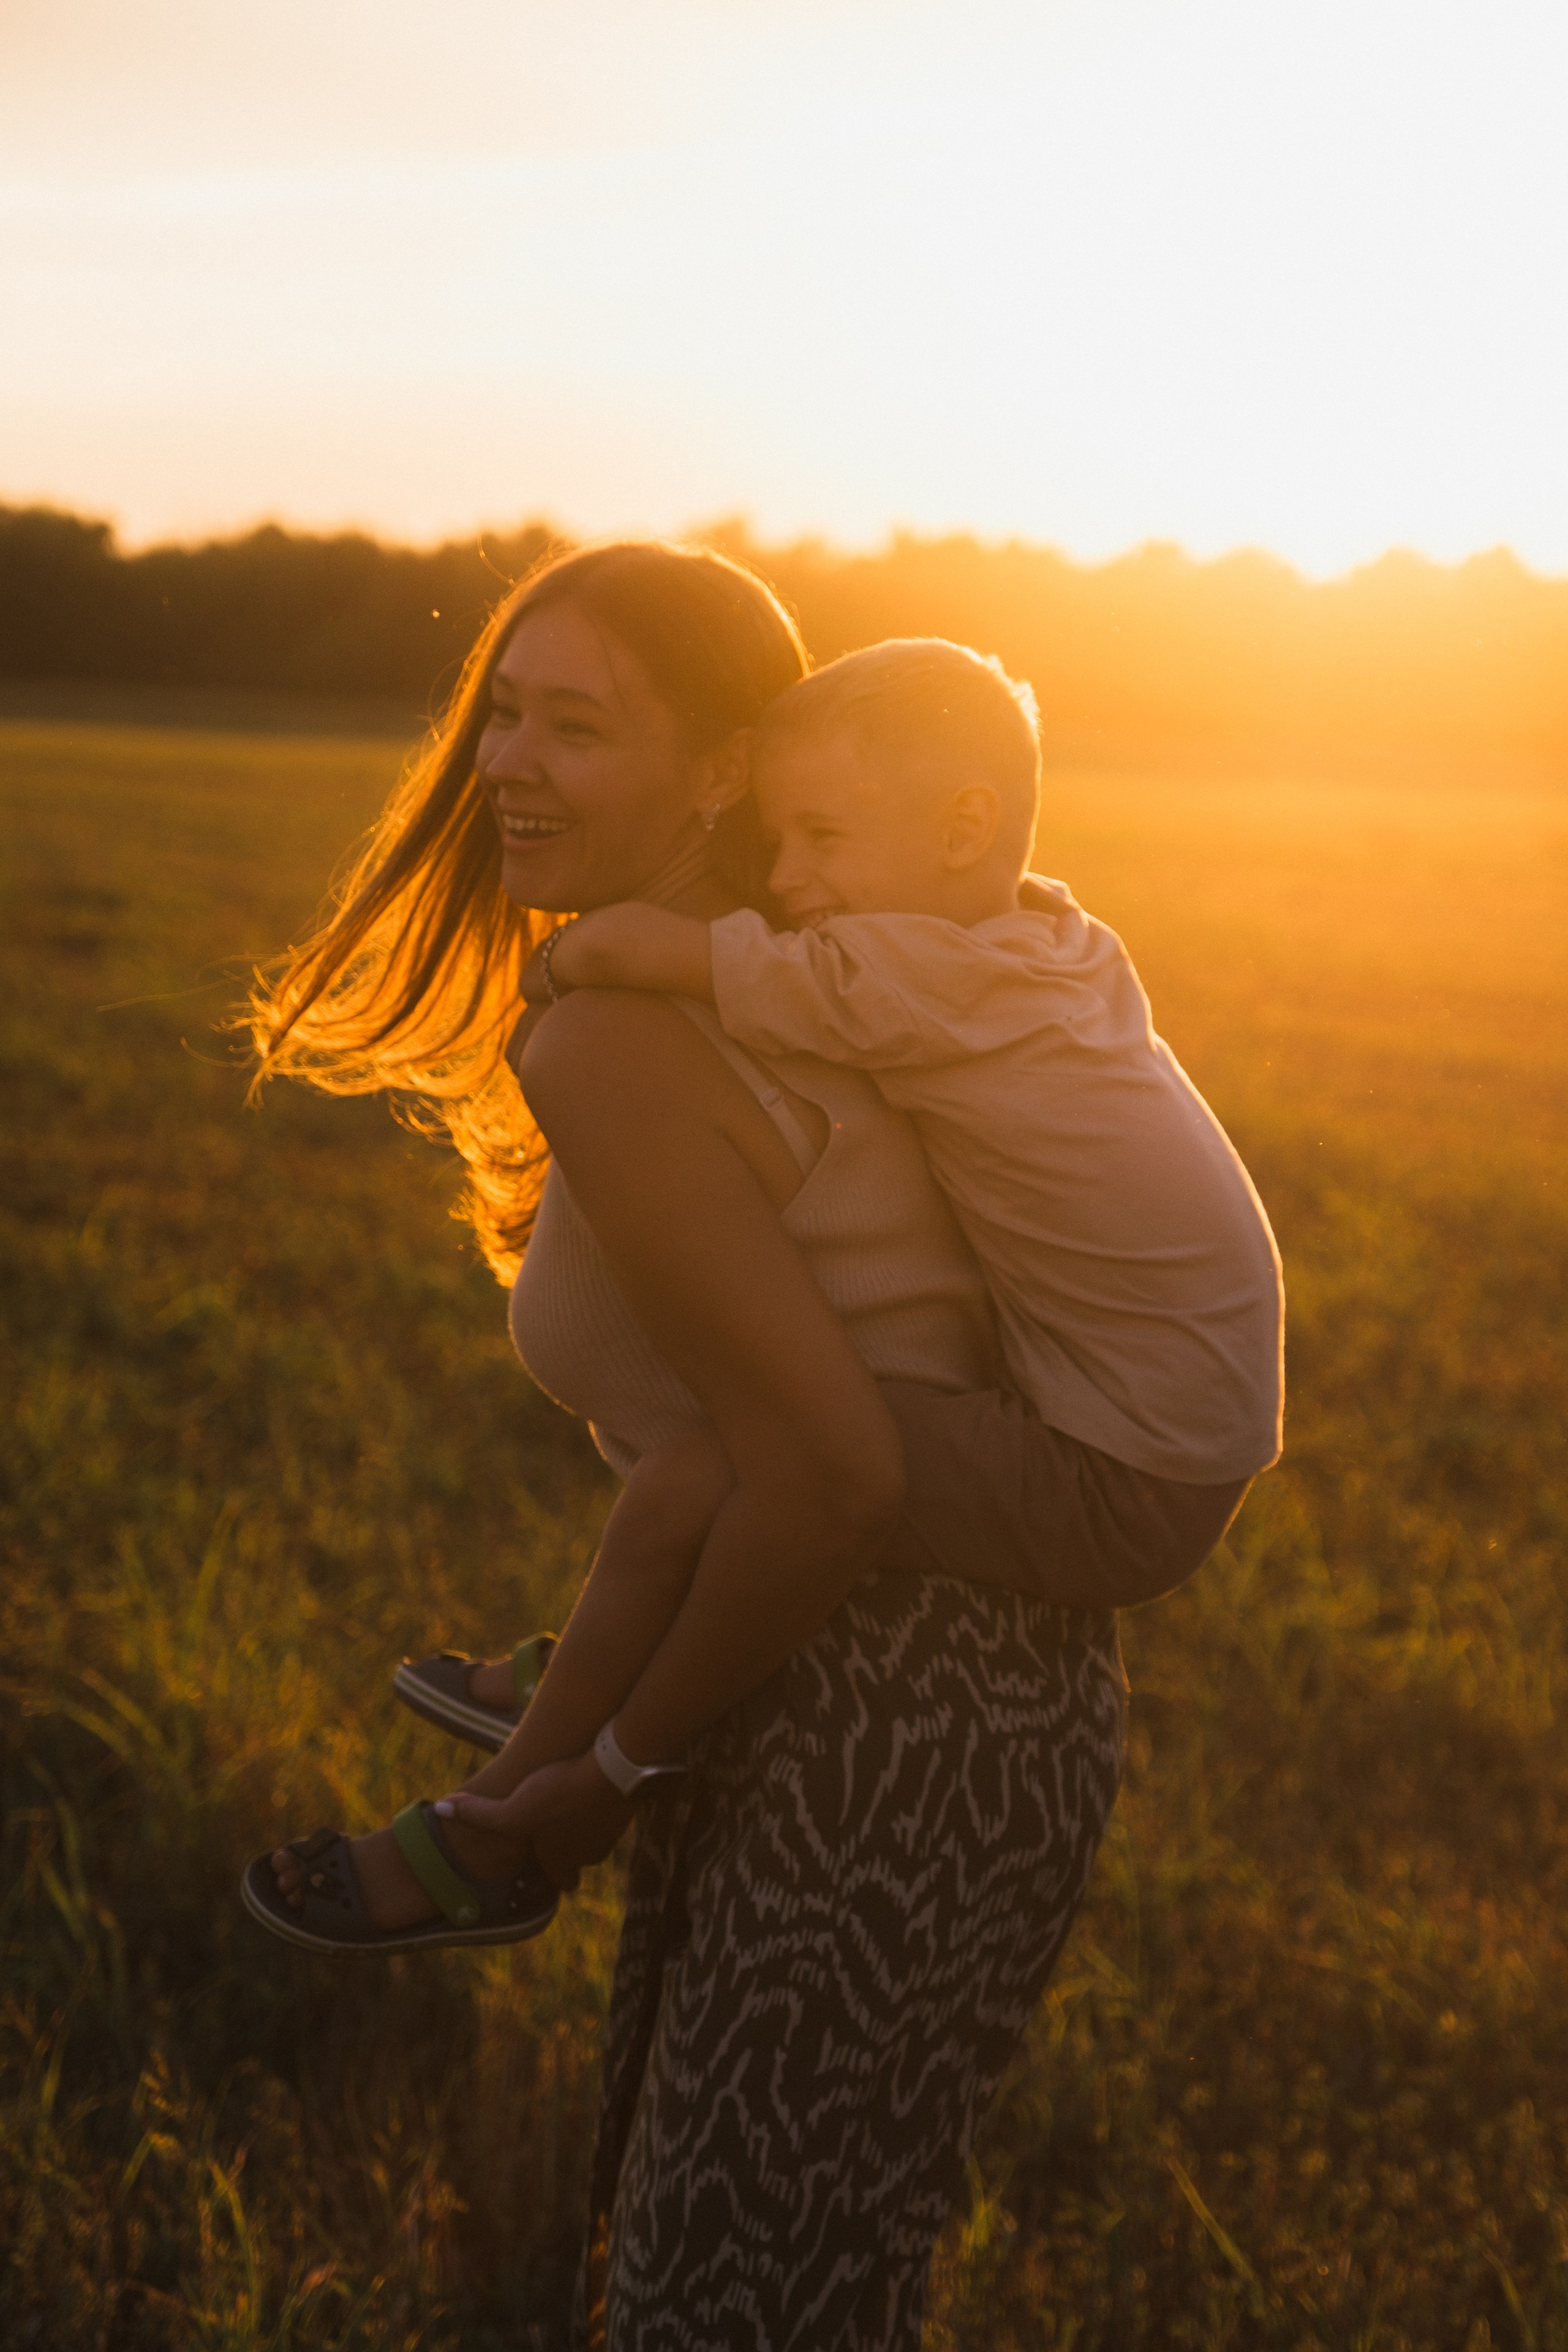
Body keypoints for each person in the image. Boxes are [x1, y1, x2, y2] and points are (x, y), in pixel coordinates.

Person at [240, 541, 1131, 2350]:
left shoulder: (636, 1036)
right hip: (886, 1677)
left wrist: (612, 1769)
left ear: (722, 771)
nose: (505, 764)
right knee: (768, 2284)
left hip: (881, 1711)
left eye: (577, 724)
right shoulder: (805, 974)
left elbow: (824, 1472)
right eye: (500, 711)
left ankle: (499, 1815)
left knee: (729, 2310)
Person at [401, 635, 1283, 1801]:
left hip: (1120, 1483)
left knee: (707, 1478)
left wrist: (578, 963)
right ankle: (589, 1687)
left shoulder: (925, 984)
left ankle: (557, 1784)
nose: (790, 879)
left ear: (965, 833)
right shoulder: (1044, 939)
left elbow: (710, 963)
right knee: (734, 1470)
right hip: (1167, 1436)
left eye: (822, 838)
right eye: (775, 843)